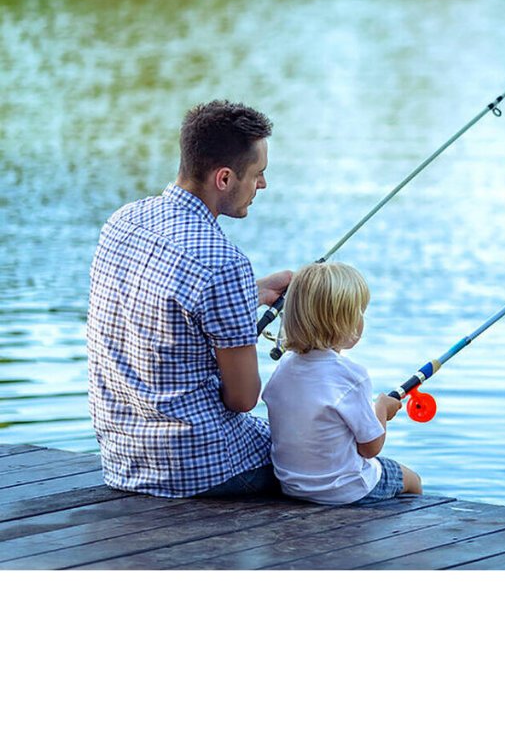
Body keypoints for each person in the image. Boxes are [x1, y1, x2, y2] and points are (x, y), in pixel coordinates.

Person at [87, 99, 292, 498]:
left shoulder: (123, 221)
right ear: (224, 178)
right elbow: (242, 399)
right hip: (199, 467)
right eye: (258, 174)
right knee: (334, 456)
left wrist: (255, 292)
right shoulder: (223, 261)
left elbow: (164, 307)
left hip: (123, 460)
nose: (263, 185)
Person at [261, 261, 422, 505]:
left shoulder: (284, 367)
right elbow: (370, 448)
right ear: (344, 322)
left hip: (292, 486)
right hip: (346, 489)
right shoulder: (352, 376)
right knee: (412, 480)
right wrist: (382, 408)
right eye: (360, 312)